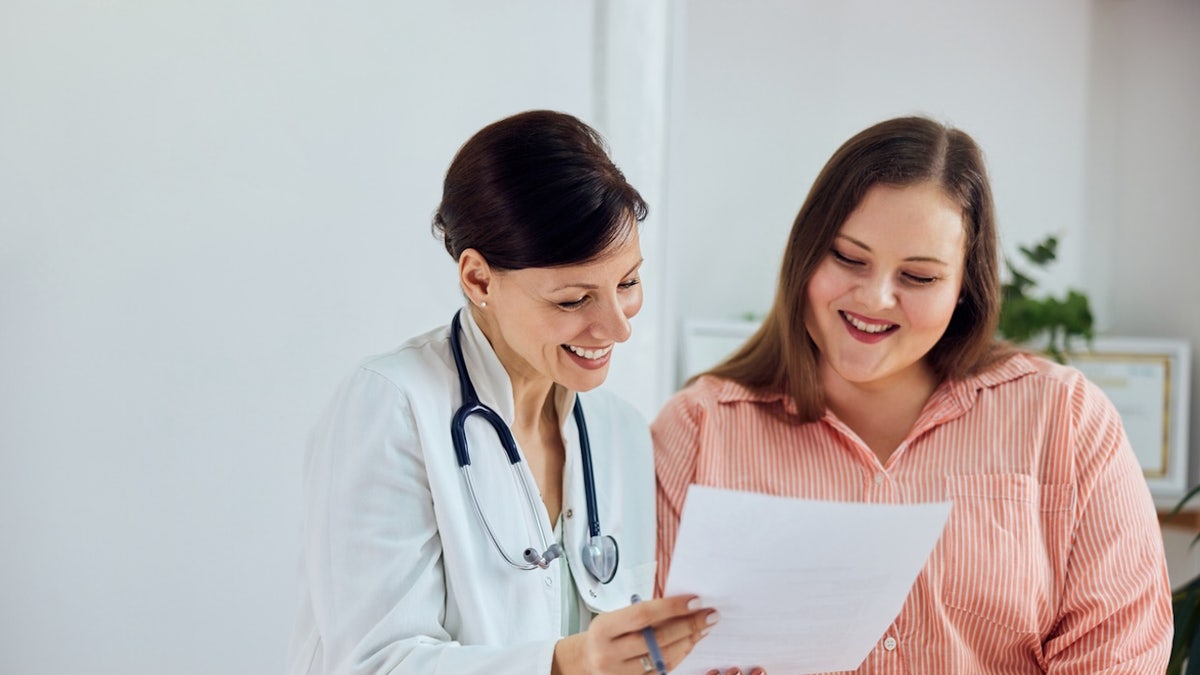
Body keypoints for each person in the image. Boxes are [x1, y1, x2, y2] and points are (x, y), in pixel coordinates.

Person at [653, 116, 1172, 673]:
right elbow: (643, 650)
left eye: (919, 277)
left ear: (963, 288)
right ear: (804, 254)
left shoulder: (1065, 419)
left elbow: (1120, 651)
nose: (875, 298)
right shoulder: (700, 429)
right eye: (849, 259)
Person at [286, 110, 717, 675]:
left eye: (628, 283)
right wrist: (564, 664)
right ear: (479, 279)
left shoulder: (620, 432)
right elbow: (375, 663)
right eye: (573, 300)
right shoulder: (392, 406)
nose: (617, 327)